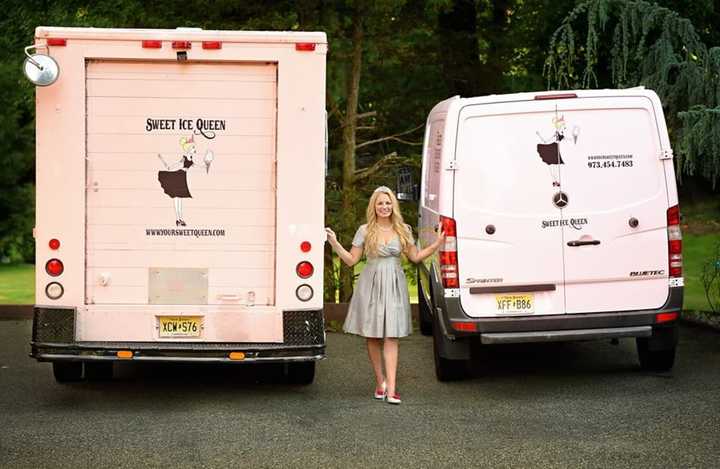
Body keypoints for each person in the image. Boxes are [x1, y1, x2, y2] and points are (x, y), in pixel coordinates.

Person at [325, 186, 445, 405]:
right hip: (370, 283)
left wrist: (437, 243)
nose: (384, 207)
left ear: (393, 206)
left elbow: (416, 257)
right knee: (372, 335)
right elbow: (351, 260)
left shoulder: (403, 229)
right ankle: (380, 382)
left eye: (388, 203)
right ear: (374, 206)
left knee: (391, 335)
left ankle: (392, 389)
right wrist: (334, 242)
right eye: (380, 203)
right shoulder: (364, 230)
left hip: (394, 283)